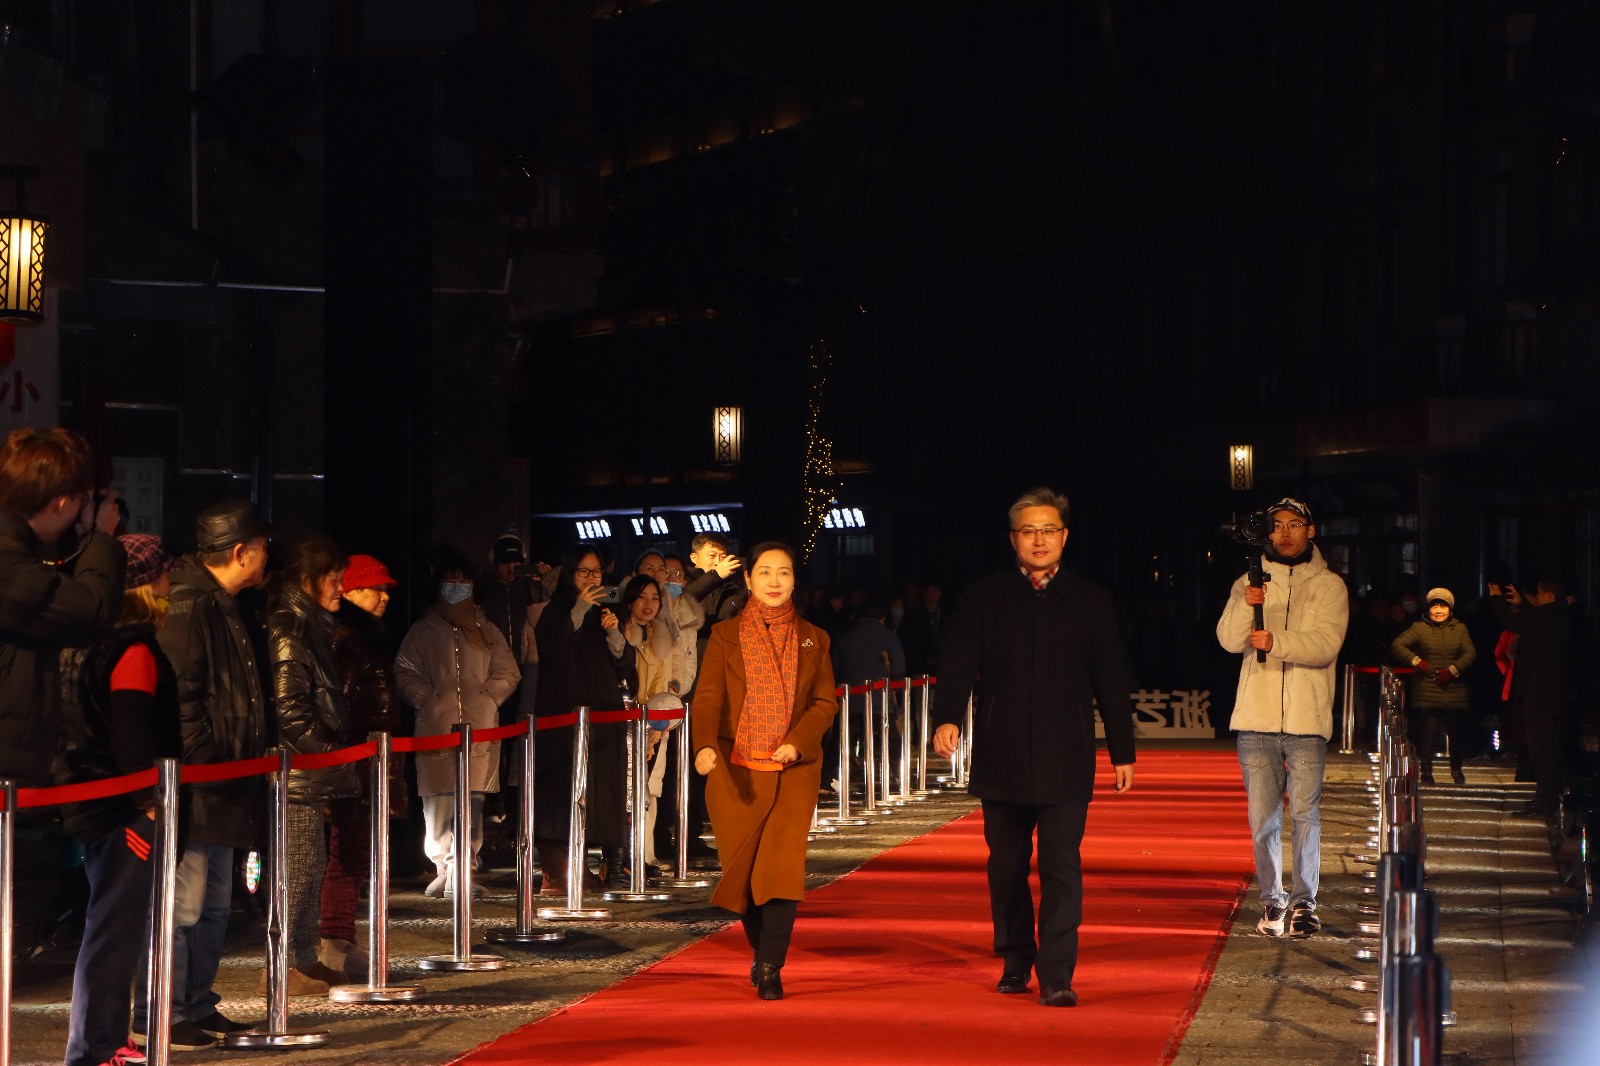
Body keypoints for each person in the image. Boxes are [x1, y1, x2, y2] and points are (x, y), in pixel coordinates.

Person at [932, 487, 1136, 1008]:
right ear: (1013, 539)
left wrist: (1122, 750)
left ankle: (1057, 974)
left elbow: (1111, 678)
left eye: (1048, 530)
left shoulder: (1090, 599)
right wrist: (948, 718)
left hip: (1066, 756)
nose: (1039, 540)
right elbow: (958, 663)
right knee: (1006, 866)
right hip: (1000, 753)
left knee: (1061, 866)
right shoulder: (985, 596)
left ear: (1065, 536)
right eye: (1029, 531)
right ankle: (1015, 957)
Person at [133, 499, 271, 1048]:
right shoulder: (193, 604)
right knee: (184, 905)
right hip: (198, 782)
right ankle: (161, 1011)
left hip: (223, 779)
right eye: (262, 547)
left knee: (213, 904)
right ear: (240, 552)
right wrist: (205, 761)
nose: (267, 557)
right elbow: (183, 696)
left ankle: (194, 1003)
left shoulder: (220, 602)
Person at [55, 534, 183, 1066]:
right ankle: (95, 1048)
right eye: (164, 575)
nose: (170, 584)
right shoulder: (130, 647)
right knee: (114, 929)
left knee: (113, 925)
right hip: (123, 808)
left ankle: (105, 1040)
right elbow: (131, 734)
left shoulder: (81, 640)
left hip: (94, 801)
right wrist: (148, 802)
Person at [692, 541, 839, 1001]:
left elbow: (824, 703)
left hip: (794, 768)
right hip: (735, 768)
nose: (775, 581)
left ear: (795, 580)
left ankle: (772, 964)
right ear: (748, 579)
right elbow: (708, 696)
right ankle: (762, 953)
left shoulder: (815, 637)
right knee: (744, 870)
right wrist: (703, 746)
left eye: (784, 572)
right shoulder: (724, 635)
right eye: (765, 572)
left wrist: (798, 741)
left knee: (781, 866)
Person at [1216, 496, 1348, 940]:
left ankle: (1304, 902)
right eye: (1278, 525)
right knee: (1263, 821)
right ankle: (1272, 900)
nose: (1285, 532)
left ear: (1311, 530)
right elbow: (1228, 640)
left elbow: (1326, 645)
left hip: (1307, 720)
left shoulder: (1329, 585)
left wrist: (1277, 642)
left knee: (1306, 815)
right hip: (1256, 718)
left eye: (1295, 524)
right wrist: (1246, 603)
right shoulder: (1248, 580)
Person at [0, 426, 125, 786]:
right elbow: (93, 613)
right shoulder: (10, 567)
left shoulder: (16, 554)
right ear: (58, 502)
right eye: (79, 500)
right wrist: (101, 537)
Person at [395, 546, 521, 896]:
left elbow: (509, 671)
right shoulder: (423, 630)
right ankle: (442, 867)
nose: (457, 587)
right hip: (436, 729)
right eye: (450, 581)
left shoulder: (487, 630)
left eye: (463, 581)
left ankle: (463, 868)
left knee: (473, 799)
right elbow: (404, 672)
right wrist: (428, 699)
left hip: (479, 728)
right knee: (438, 801)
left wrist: (488, 697)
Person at [264, 537, 356, 993]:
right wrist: (328, 753)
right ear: (308, 581)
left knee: (310, 865)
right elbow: (291, 710)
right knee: (297, 871)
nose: (341, 589)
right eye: (333, 580)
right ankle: (282, 965)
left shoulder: (309, 625)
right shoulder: (291, 628)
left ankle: (301, 958)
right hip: (295, 769)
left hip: (305, 769)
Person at [320, 552, 406, 978]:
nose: (384, 596)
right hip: (357, 761)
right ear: (350, 592)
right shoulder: (349, 641)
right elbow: (337, 705)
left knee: (355, 851)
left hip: (367, 759)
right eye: (375, 589)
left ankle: (341, 938)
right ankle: (334, 940)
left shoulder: (358, 638)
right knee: (349, 852)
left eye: (386, 589)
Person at [533, 546, 636, 894]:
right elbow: (554, 651)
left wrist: (614, 633)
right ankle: (556, 868)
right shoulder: (555, 610)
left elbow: (624, 665)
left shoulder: (604, 612)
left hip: (602, 713)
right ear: (569, 573)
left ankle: (583, 864)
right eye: (583, 572)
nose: (591, 579)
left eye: (596, 572)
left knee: (598, 789)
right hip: (563, 713)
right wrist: (578, 608)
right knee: (562, 788)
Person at [1489, 577, 1579, 818]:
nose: (1536, 599)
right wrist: (1523, 603)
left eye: (1538, 595)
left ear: (1548, 596)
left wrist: (1496, 598)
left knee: (1542, 750)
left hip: (1541, 693)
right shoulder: (1559, 615)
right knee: (1546, 749)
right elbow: (1532, 620)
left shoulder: (1548, 617)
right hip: (1551, 692)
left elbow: (1511, 621)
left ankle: (1546, 804)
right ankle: (1545, 799)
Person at [1390, 587, 1477, 785]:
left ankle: (1456, 769)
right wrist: (1417, 661)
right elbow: (1398, 645)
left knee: (1456, 733)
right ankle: (1426, 770)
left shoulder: (1460, 628)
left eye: (1443, 606)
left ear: (1450, 609)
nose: (1438, 610)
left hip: (1454, 689)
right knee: (1428, 733)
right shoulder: (1419, 628)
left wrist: (1454, 670)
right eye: (1434, 606)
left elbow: (1470, 654)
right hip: (1428, 689)